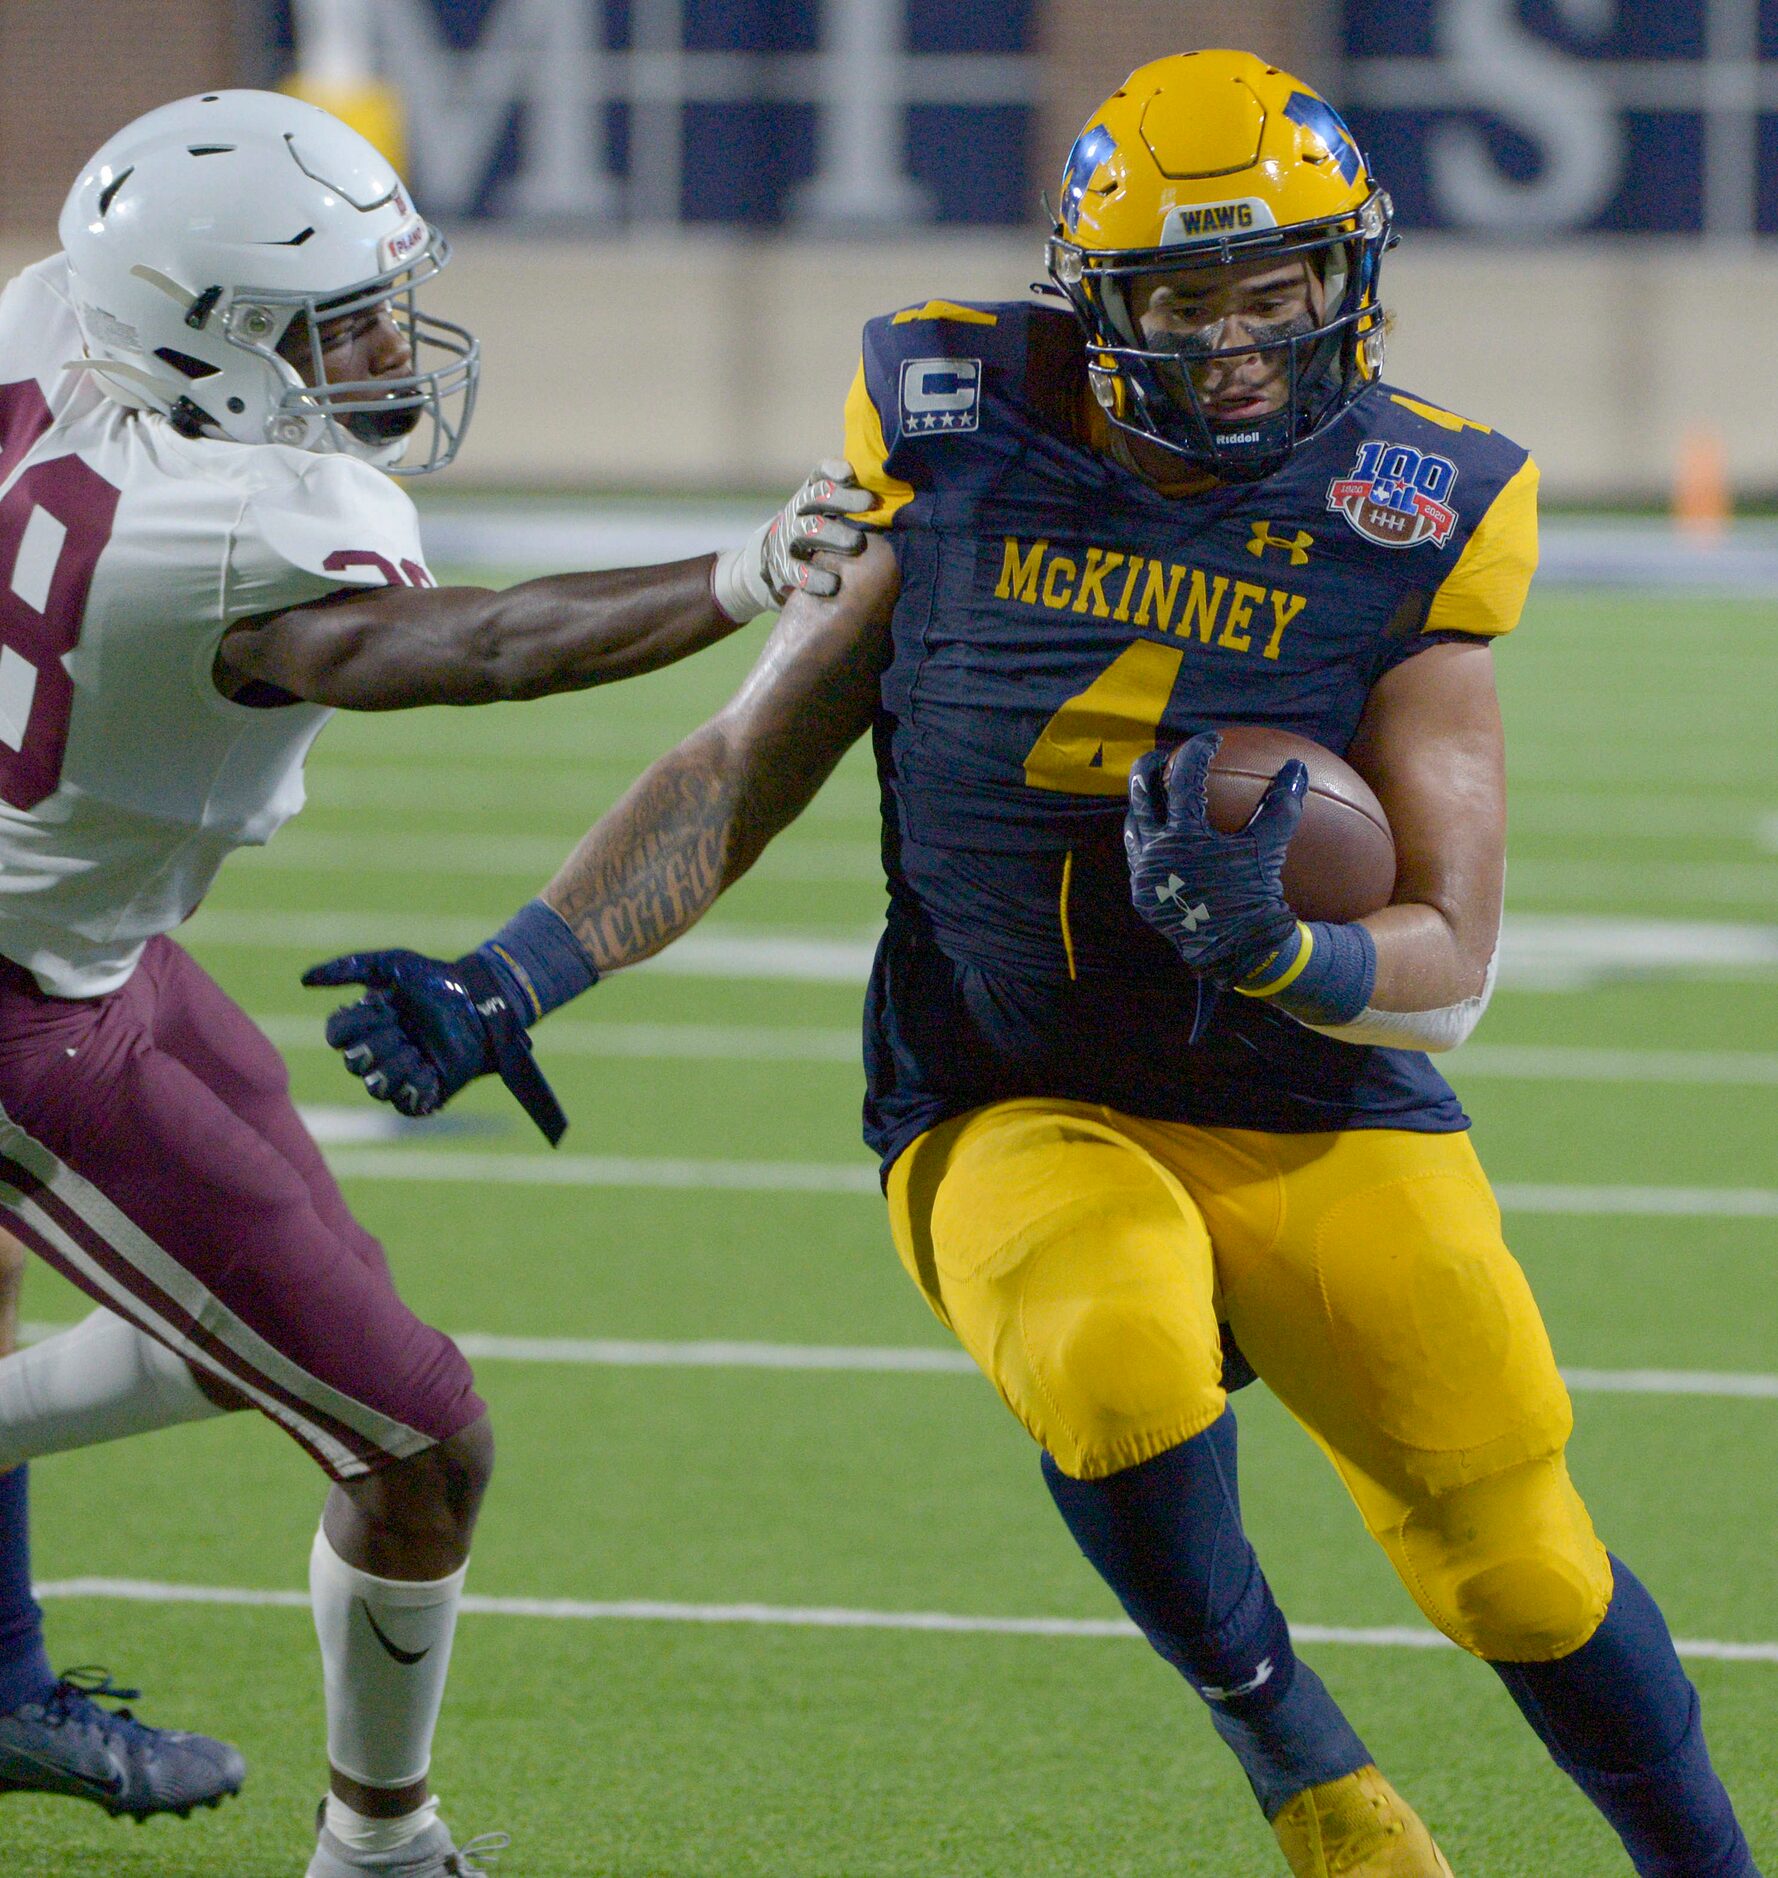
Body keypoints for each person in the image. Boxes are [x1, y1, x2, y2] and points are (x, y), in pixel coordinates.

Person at [308, 51, 1760, 1878]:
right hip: (1007, 1082)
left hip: (1308, 1097)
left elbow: (1450, 961)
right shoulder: (956, 422)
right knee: (1112, 1346)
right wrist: (519, 972)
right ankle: (1301, 1759)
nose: (1237, 340)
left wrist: (1285, 944)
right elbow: (743, 765)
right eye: (1181, 297)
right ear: (1100, 302)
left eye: (1276, 289)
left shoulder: (1416, 503)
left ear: (1346, 280)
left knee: (1519, 1555)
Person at [0, 86, 866, 1873]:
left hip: (93, 951)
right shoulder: (235, 524)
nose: (388, 348)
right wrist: (732, 574)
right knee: (416, 1435)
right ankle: (380, 1850)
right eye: (340, 322)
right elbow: (466, 644)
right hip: (28, 1007)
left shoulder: (50, 317)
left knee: (260, 1331)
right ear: (203, 337)